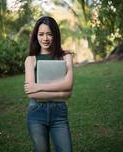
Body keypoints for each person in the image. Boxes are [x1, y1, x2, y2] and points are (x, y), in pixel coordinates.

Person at [24, 16, 73, 152]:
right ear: (36, 36)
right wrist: (60, 92)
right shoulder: (30, 60)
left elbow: (68, 88)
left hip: (59, 114)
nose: (45, 38)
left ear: (55, 35)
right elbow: (31, 93)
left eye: (49, 34)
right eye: (41, 34)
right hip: (36, 114)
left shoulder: (65, 57)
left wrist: (38, 87)